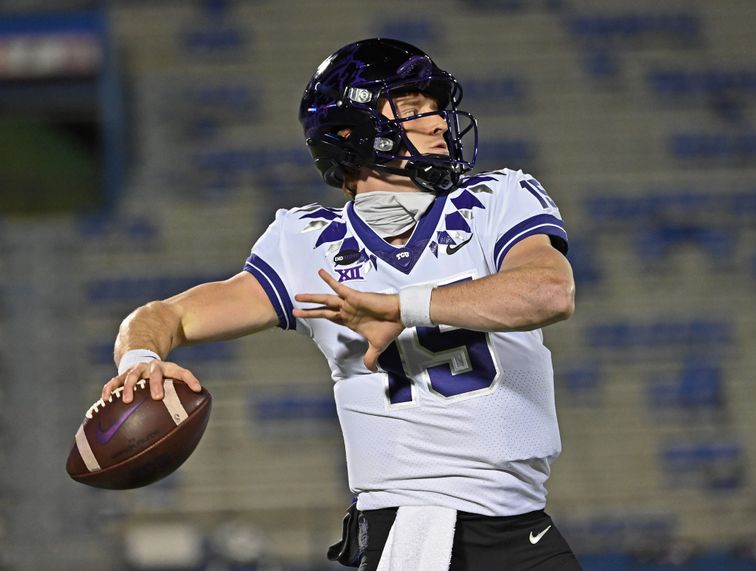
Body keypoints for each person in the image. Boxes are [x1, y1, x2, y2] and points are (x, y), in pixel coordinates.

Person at [104, 38, 580, 571]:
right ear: (352, 133)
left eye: (435, 108)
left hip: (521, 520)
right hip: (411, 529)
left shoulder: (496, 198)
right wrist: (139, 361)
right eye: (411, 109)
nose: (438, 123)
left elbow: (548, 291)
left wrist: (403, 306)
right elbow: (165, 316)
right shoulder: (308, 241)